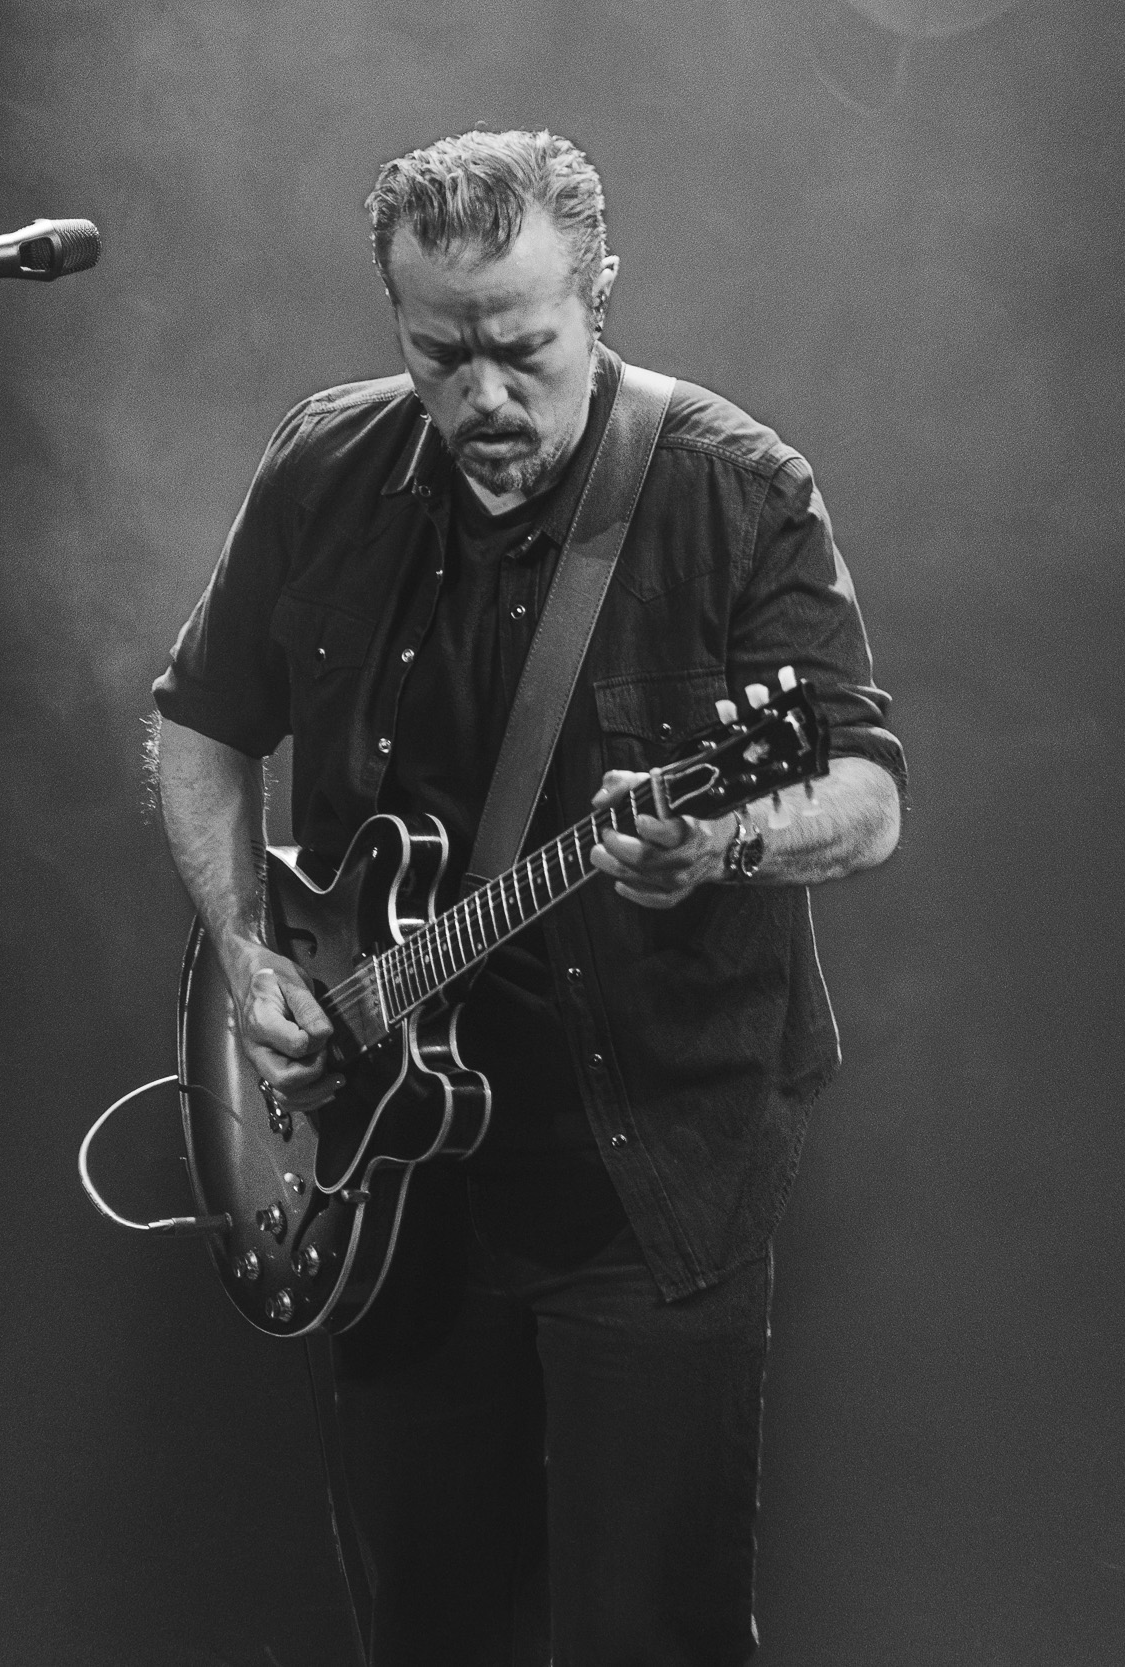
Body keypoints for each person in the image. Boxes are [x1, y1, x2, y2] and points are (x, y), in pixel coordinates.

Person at [151, 129, 904, 1665]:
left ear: (601, 294)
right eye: (442, 354)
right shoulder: (325, 465)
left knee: (651, 1636)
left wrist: (726, 845)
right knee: (429, 1628)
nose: (484, 396)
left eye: (524, 348)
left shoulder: (731, 492)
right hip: (393, 1175)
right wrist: (246, 953)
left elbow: (867, 797)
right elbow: (199, 723)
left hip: (646, 1169)